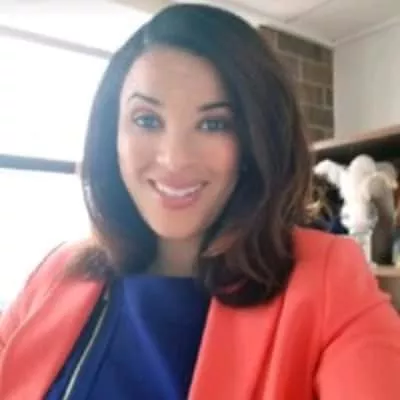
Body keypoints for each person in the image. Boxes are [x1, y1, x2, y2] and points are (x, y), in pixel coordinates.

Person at [1, 4, 400, 400]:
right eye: (146, 120)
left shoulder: (328, 277)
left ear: (254, 142)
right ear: (112, 135)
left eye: (214, 124)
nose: (174, 159)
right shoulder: (57, 272)